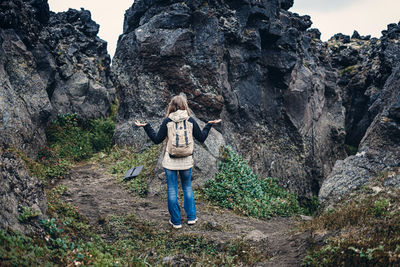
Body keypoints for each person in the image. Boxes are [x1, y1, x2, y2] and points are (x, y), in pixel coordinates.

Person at [135, 95, 221, 229]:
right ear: (184, 106)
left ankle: (176, 221)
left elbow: (157, 139)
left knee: (172, 189)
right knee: (187, 187)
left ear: (171, 106)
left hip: (170, 161)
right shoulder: (190, 120)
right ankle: (191, 218)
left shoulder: (167, 121)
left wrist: (147, 127)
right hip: (186, 161)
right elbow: (201, 138)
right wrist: (208, 125)